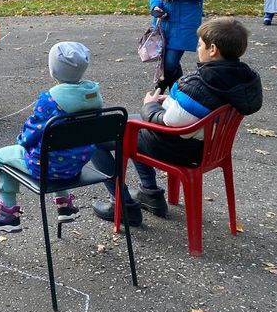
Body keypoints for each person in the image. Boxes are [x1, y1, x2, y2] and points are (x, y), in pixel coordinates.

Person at [91, 18, 263, 226]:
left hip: (180, 148)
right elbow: (197, 109)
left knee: (99, 137)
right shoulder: (241, 79)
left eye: (200, 44)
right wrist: (172, 101)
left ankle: (123, 205)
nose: (197, 48)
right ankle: (150, 194)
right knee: (133, 125)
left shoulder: (201, 85)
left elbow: (169, 123)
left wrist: (150, 105)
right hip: (209, 147)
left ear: (213, 50)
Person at [0, 42, 102, 232]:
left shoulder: (50, 101)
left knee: (2, 156)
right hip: (75, 164)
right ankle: (65, 205)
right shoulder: (94, 97)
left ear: (54, 70)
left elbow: (30, 134)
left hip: (47, 167)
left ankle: (8, 213)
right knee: (59, 149)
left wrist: (21, 141)